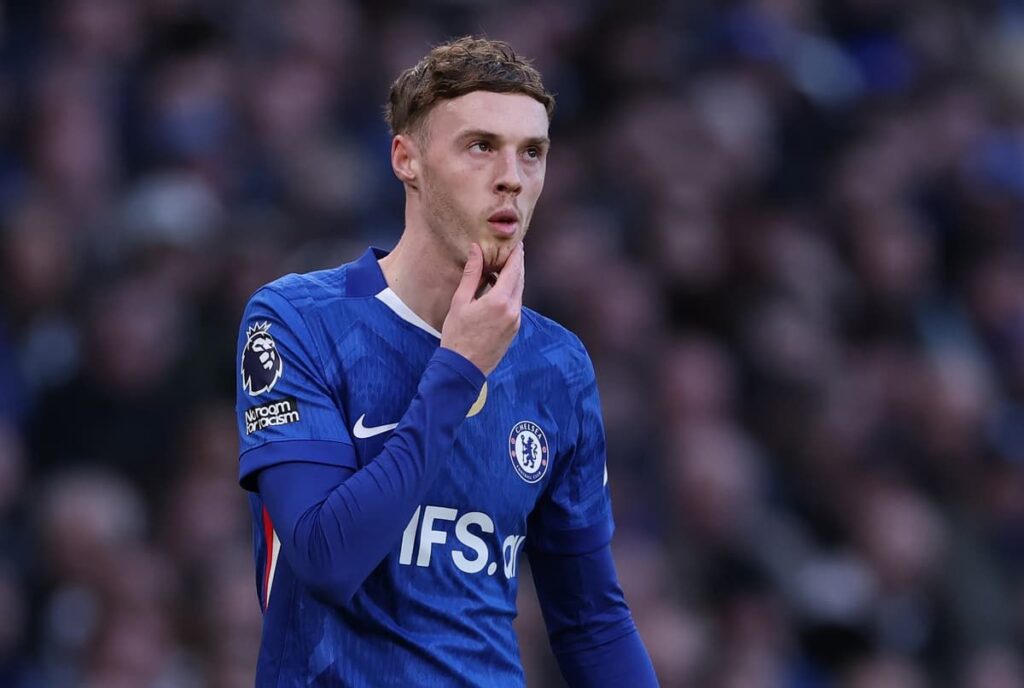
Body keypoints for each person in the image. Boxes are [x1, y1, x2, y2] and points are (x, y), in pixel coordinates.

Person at [234, 36, 659, 687]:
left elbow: (591, 620)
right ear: (407, 158)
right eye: (481, 146)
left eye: (533, 153)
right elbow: (325, 559)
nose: (512, 176)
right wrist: (458, 368)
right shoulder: (297, 320)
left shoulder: (555, 365)